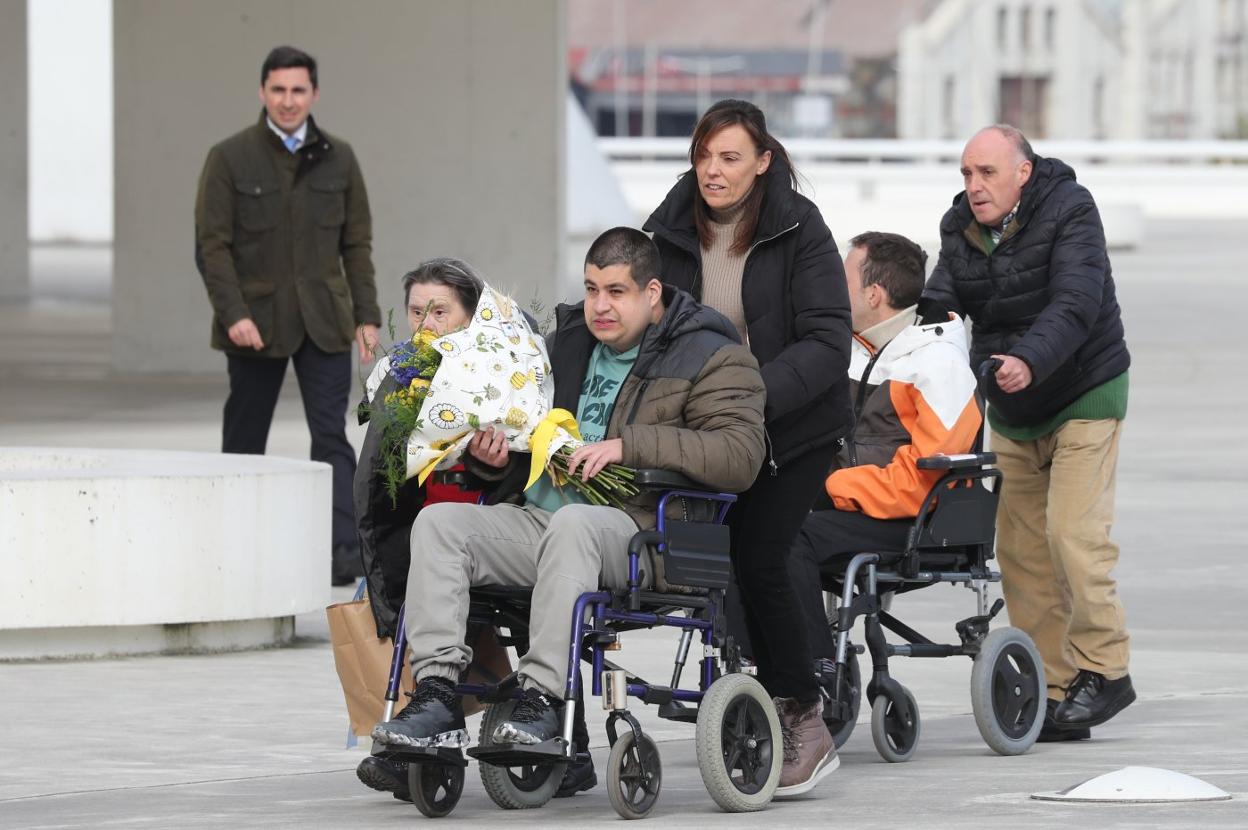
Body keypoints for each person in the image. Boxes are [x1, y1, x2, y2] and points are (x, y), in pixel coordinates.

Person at [370, 228, 766, 770]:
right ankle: (437, 693)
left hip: (639, 533)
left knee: (575, 523)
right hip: (542, 523)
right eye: (591, 289)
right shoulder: (564, 346)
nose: (599, 305)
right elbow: (524, 438)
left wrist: (629, 445)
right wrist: (493, 462)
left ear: (652, 293)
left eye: (616, 292)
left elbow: (740, 455)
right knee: (440, 524)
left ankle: (539, 698)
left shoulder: (712, 353)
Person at [644, 98, 851, 796]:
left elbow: (827, 342)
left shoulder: (800, 228)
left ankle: (804, 715)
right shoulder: (668, 229)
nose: (712, 170)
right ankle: (750, 694)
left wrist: (750, 397)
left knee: (760, 555)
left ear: (763, 161)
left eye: (729, 157)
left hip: (794, 428)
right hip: (708, 429)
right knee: (707, 567)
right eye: (704, 156)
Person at [352, 258, 595, 801]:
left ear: (473, 315)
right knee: (410, 608)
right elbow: (376, 485)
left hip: (498, 527)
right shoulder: (405, 376)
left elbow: (524, 467)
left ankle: (567, 746)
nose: (425, 325)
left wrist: (489, 463)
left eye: (440, 311)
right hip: (427, 534)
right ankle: (405, 746)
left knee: (503, 602)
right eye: (416, 311)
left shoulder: (506, 368)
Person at [924, 124, 1134, 742]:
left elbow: (1076, 302)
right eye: (965, 174)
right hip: (1013, 404)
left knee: (1073, 535)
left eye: (986, 173)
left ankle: (1107, 669)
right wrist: (914, 331)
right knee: (1019, 553)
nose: (973, 186)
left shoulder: (1070, 208)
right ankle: (1056, 685)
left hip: (1083, 391)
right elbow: (945, 299)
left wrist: (1029, 361)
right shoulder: (958, 225)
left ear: (1023, 171)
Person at [194, 45, 380, 586]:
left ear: (314, 94)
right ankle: (231, 544)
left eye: (299, 90)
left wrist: (365, 314)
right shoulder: (230, 157)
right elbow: (212, 247)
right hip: (254, 323)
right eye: (278, 90)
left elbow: (357, 245)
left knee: (331, 436)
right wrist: (233, 314)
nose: (288, 100)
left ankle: (344, 552)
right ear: (262, 93)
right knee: (246, 433)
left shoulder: (340, 158)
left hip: (324, 319)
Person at [786, 232, 981, 667]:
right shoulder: (855, 347)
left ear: (873, 294)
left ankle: (810, 673)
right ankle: (764, 661)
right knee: (749, 524)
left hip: (915, 519)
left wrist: (831, 486)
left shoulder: (937, 364)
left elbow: (923, 482)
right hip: (854, 504)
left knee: (782, 541)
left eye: (842, 278)